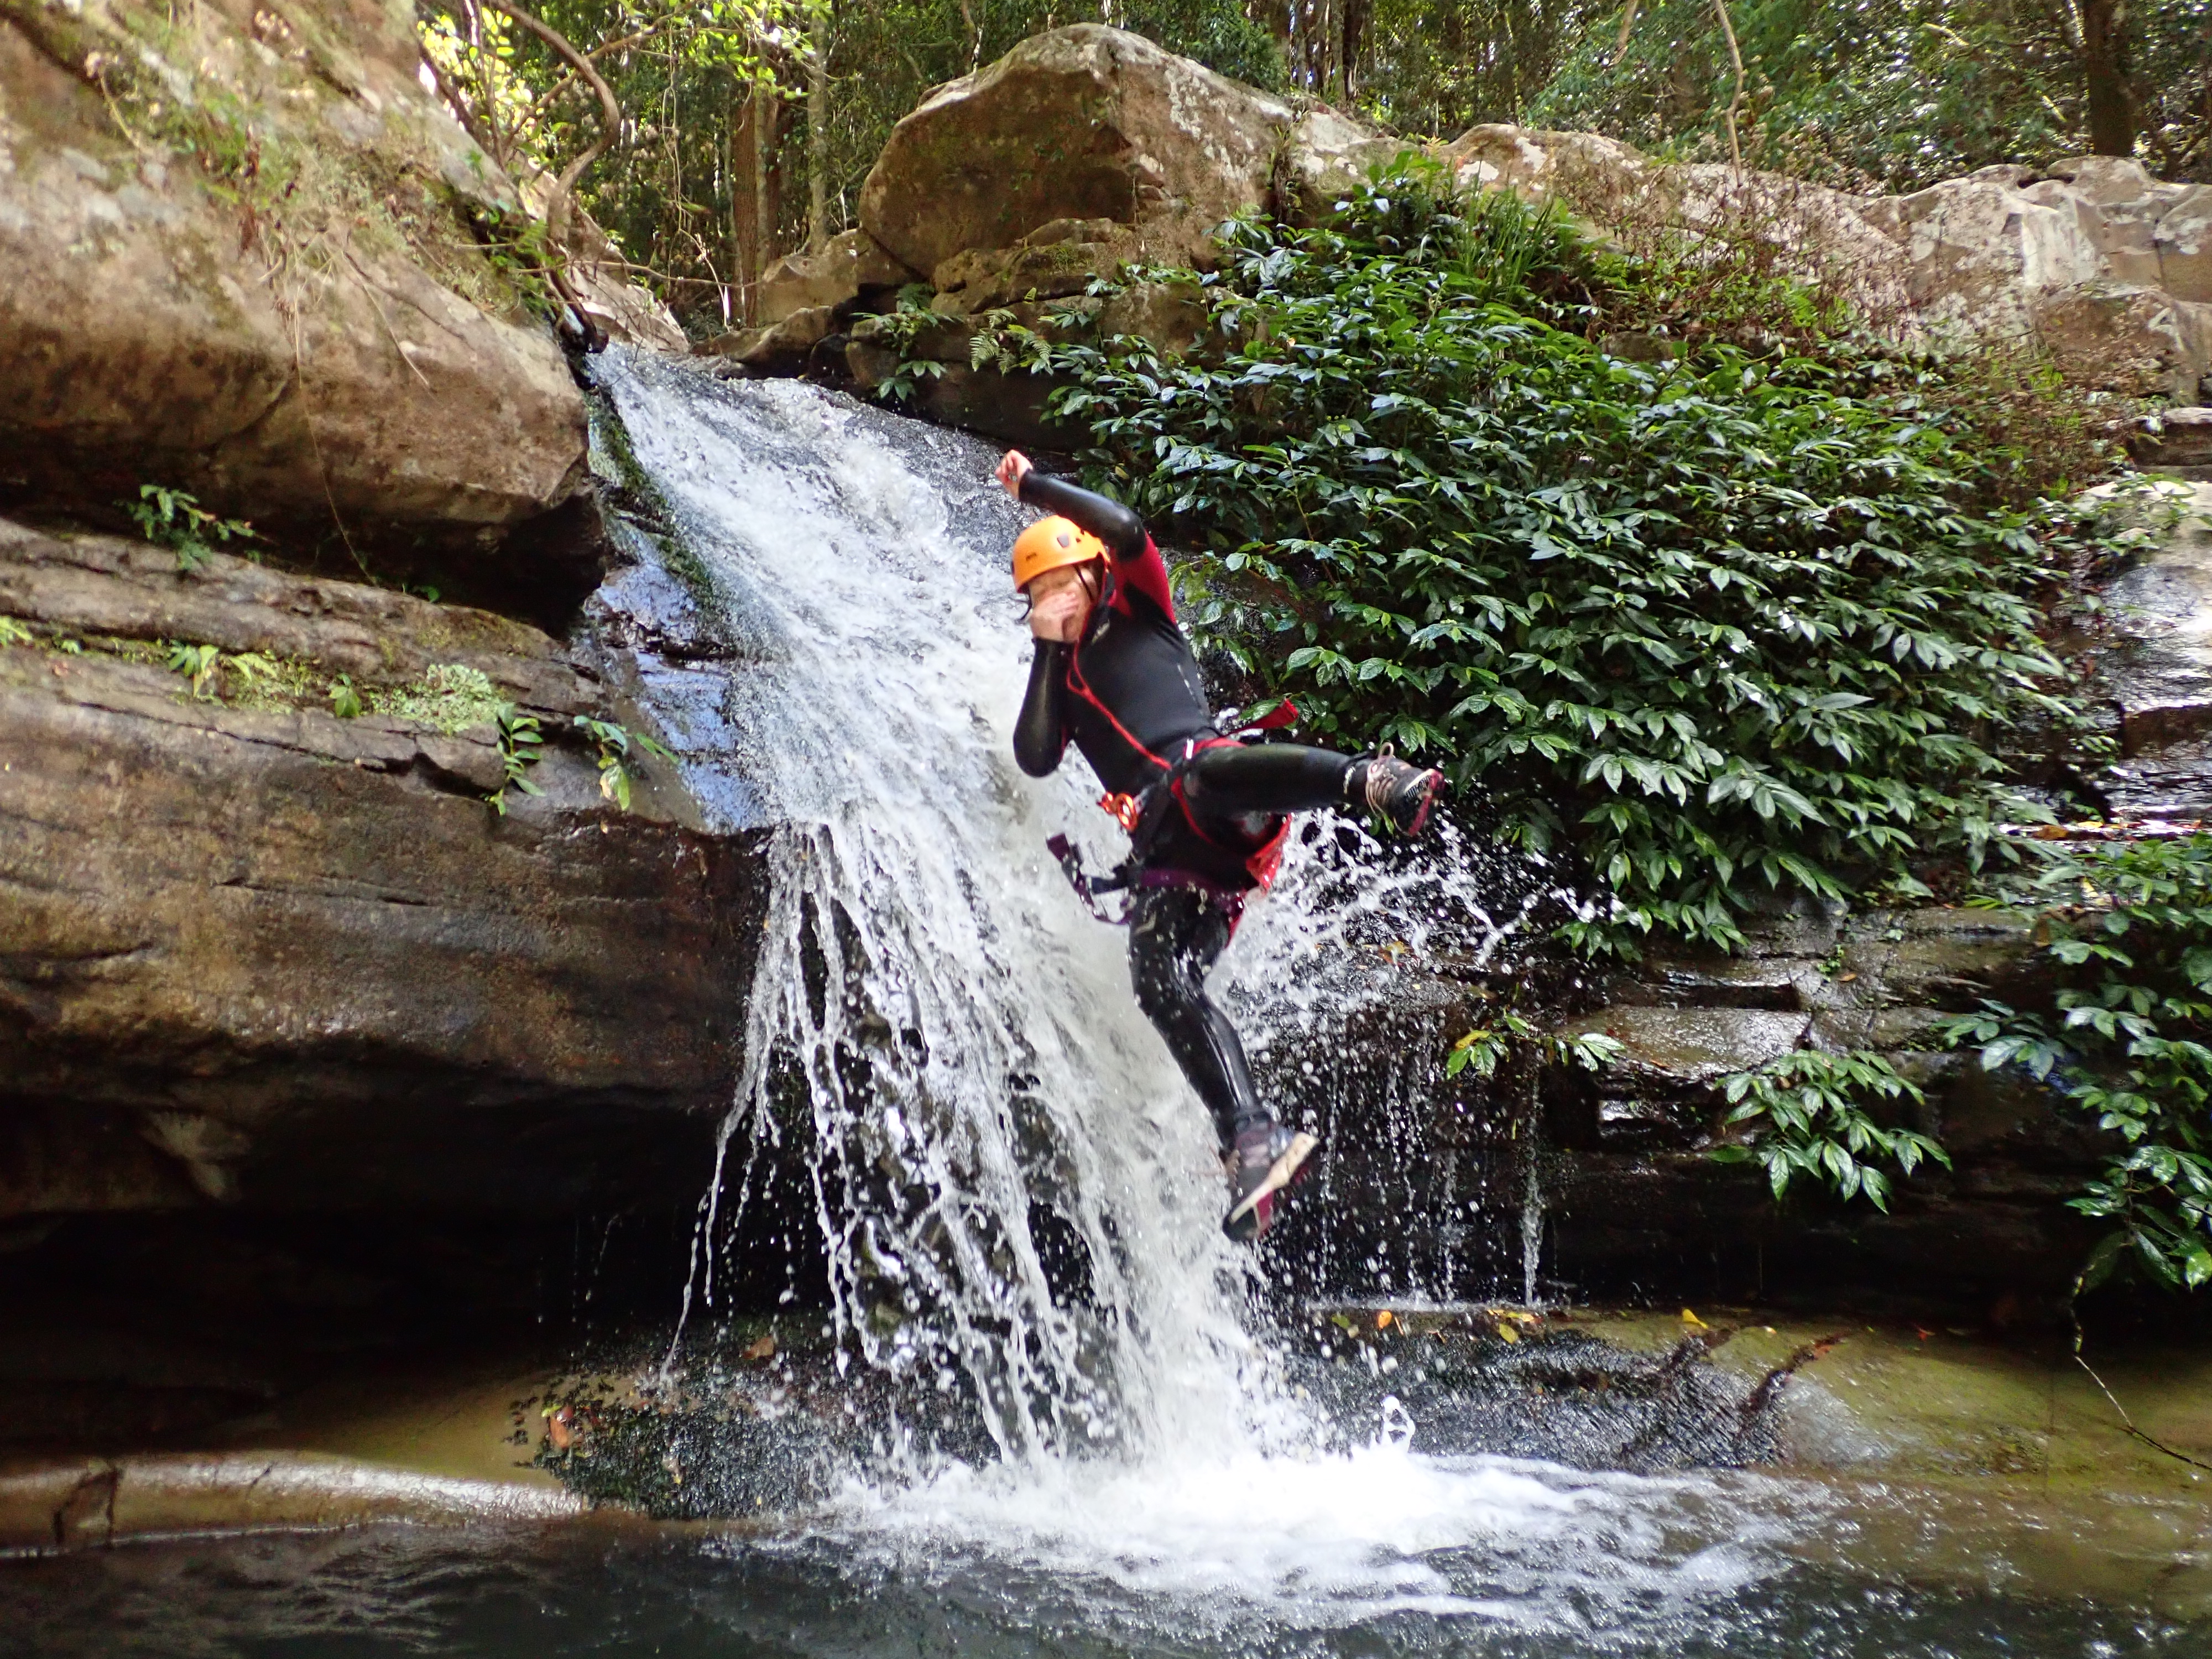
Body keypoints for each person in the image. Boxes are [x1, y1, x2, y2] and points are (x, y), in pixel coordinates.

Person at [994, 449, 1445, 1242]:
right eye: (1040, 593)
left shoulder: (1141, 606)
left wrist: (1033, 488)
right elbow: (1034, 757)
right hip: (1168, 857)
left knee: (1202, 775)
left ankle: (1371, 779)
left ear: (1095, 575)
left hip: (1215, 793)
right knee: (1158, 980)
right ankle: (1251, 1140)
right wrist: (1046, 645)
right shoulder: (1059, 679)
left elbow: (1126, 526)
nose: (1055, 597)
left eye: (1064, 582)